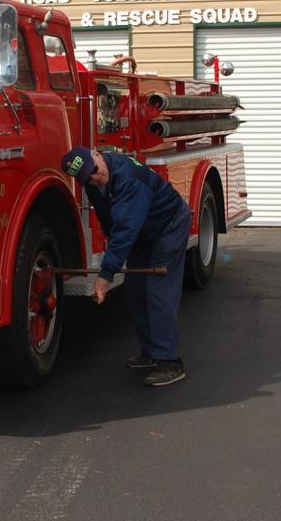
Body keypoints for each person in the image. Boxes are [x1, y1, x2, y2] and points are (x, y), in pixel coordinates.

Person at [61, 145, 192, 387]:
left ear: (97, 154)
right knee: (135, 288)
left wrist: (106, 274)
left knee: (158, 291)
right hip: (144, 232)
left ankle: (170, 362)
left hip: (169, 226)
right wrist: (112, 247)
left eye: (94, 170)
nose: (94, 177)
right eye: (87, 178)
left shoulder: (128, 178)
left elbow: (125, 229)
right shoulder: (93, 181)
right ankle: (151, 352)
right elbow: (109, 219)